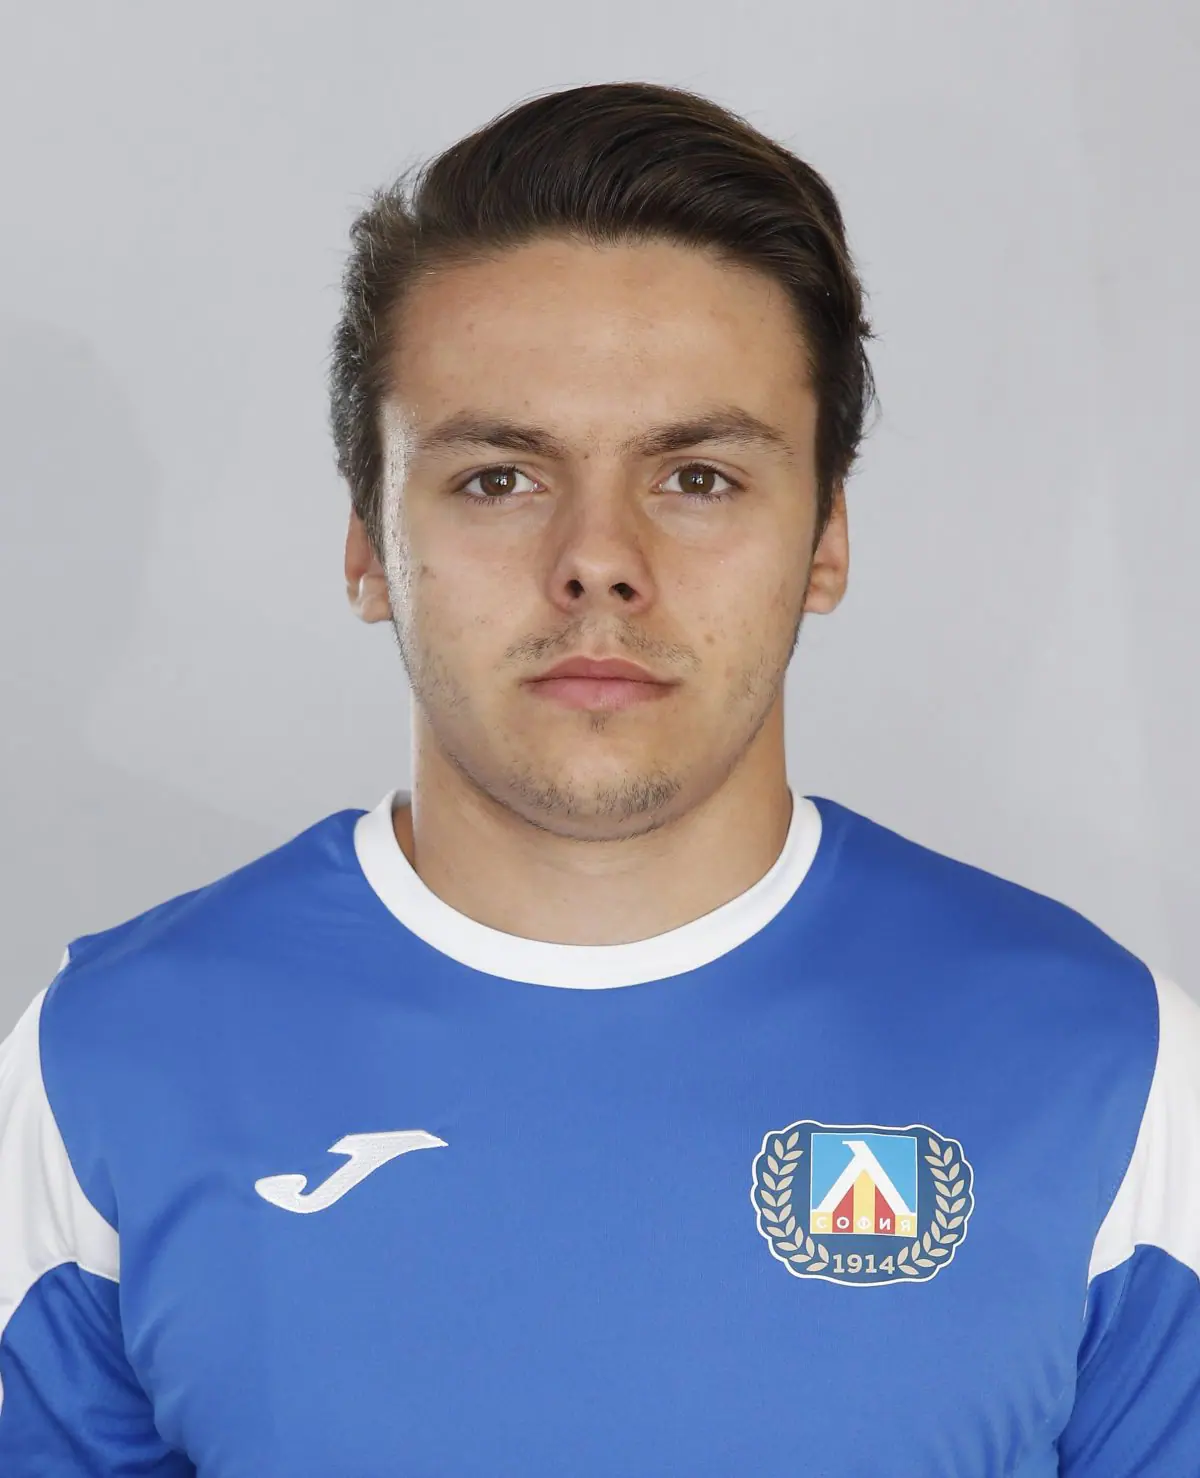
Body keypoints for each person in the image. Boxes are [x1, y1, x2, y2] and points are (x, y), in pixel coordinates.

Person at [0, 79, 1196, 1477]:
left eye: (698, 477)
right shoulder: (106, 1060)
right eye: (499, 477)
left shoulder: (1109, 1063)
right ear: (368, 545)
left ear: (825, 538)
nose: (598, 560)